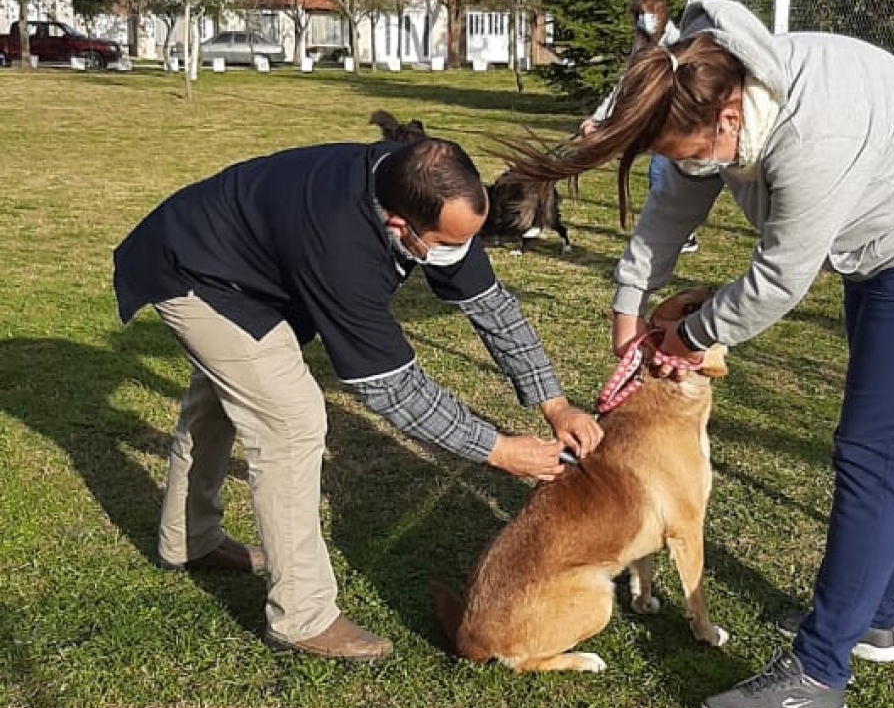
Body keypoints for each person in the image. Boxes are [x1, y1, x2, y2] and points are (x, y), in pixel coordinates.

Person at [509, 0, 894, 708]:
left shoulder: (813, 129)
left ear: (730, 120)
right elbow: (667, 216)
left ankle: (818, 674)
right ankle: (874, 621)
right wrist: (627, 303)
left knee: (871, 446)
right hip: (882, 251)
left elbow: (778, 280)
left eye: (688, 153)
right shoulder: (703, 87)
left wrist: (687, 336)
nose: (686, 168)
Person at [114, 134, 602, 663]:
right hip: (195, 274)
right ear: (398, 227)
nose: (458, 254)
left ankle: (190, 539)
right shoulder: (342, 246)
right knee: (290, 420)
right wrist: (497, 449)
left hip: (251, 265)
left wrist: (554, 402)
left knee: (225, 398)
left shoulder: (424, 192)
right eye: (444, 243)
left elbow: (493, 308)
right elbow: (393, 388)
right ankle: (301, 615)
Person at [578, 0, 698, 253]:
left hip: (679, 119)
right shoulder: (643, 45)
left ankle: (680, 234)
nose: (643, 23)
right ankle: (680, 233)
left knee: (664, 173)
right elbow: (625, 84)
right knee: (661, 174)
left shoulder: (677, 44)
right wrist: (599, 119)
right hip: (661, 120)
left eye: (647, 15)